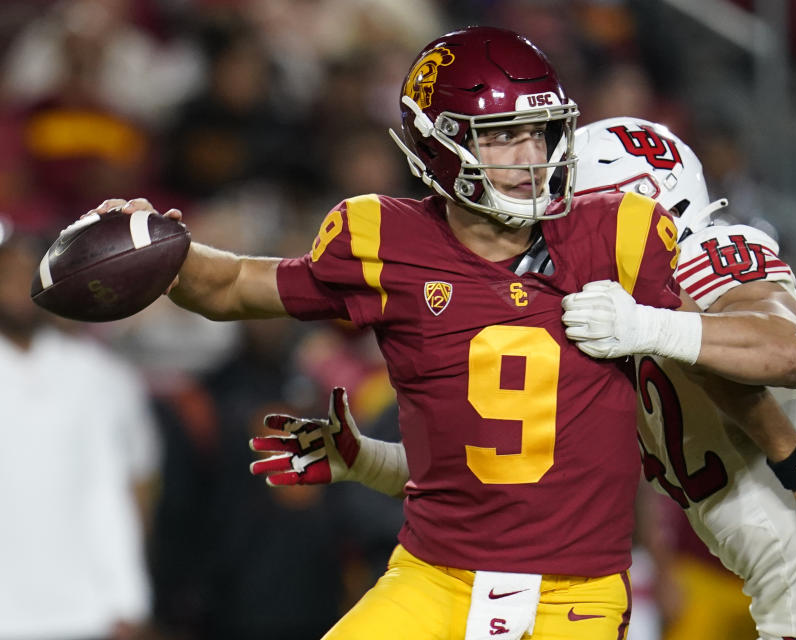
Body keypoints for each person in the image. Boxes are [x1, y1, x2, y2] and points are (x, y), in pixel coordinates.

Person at [86, 26, 683, 640]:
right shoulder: (383, 240)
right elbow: (237, 284)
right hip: (434, 577)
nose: (532, 157)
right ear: (439, 143)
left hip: (573, 593)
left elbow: (743, 360)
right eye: (503, 136)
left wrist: (672, 332)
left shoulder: (621, 233)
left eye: (540, 132)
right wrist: (157, 249)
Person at [256, 116, 796, 640]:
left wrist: (647, 325)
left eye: (575, 203)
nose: (554, 228)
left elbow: (785, 348)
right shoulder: (610, 330)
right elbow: (513, 479)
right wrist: (365, 460)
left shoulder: (707, 256)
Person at [0, 222, 160, 640]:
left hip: (93, 610)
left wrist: (128, 595)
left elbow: (139, 486)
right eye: (6, 274)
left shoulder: (106, 378)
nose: (17, 287)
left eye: (26, 275)